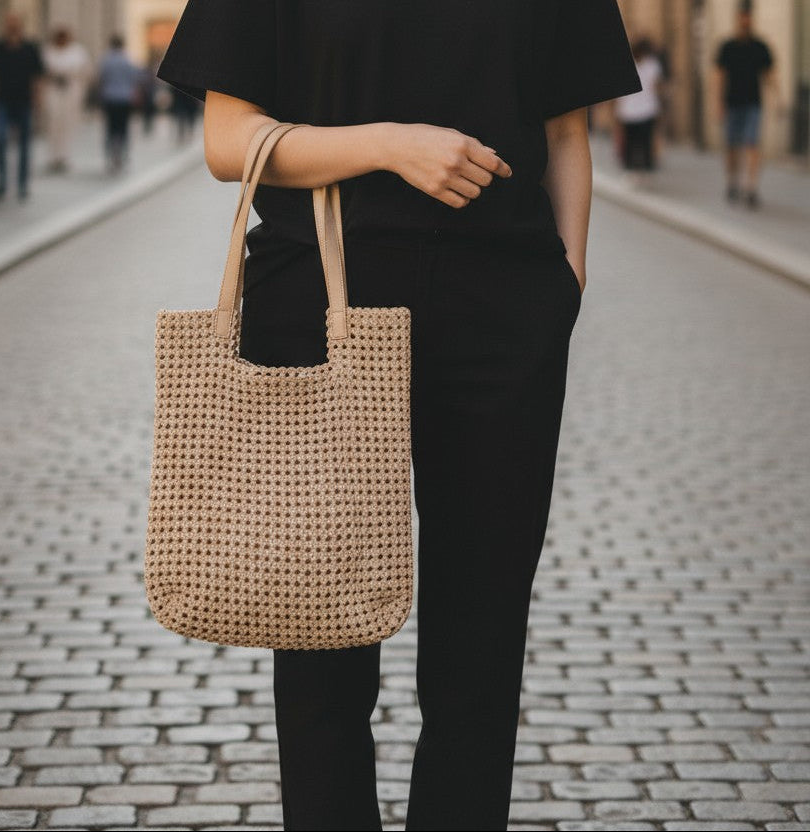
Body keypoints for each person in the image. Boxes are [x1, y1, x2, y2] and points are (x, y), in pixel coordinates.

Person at [156, 1, 641, 829]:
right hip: (315, 303)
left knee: (483, 643)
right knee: (320, 636)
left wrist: (565, 287)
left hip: (504, 312)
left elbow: (565, 132)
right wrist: (389, 144)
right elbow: (228, 142)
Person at [714, 0, 779, 209]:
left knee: (752, 145)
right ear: (738, 18)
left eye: (748, 16)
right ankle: (732, 182)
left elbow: (769, 75)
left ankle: (751, 187)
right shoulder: (727, 47)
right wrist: (718, 103)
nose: (746, 21)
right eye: (743, 16)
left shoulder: (760, 47)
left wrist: (777, 99)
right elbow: (719, 77)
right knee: (732, 147)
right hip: (732, 103)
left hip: (753, 104)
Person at [0, 11, 45, 201]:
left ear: (21, 25)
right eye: (9, 22)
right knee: (0, 140)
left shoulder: (30, 48)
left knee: (24, 145)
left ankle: (22, 184)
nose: (12, 26)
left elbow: (38, 76)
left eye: (15, 22)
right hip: (2, 101)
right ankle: (2, 182)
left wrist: (38, 100)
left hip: (24, 101)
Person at [41, 24, 92, 174]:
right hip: (53, 90)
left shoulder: (77, 52)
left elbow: (86, 72)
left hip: (71, 91)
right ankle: (53, 156)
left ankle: (64, 156)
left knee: (68, 124)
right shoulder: (48, 51)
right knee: (53, 124)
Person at [615, 36, 665, 181]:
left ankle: (633, 169)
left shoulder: (626, 64)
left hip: (631, 111)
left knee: (633, 143)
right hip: (644, 110)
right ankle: (644, 169)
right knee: (644, 142)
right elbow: (658, 87)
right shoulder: (652, 65)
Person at [97, 34, 141, 175]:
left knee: (111, 128)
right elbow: (134, 79)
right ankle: (122, 154)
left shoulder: (106, 61)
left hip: (110, 98)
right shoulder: (127, 60)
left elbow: (101, 79)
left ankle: (111, 155)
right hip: (125, 98)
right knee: (123, 128)